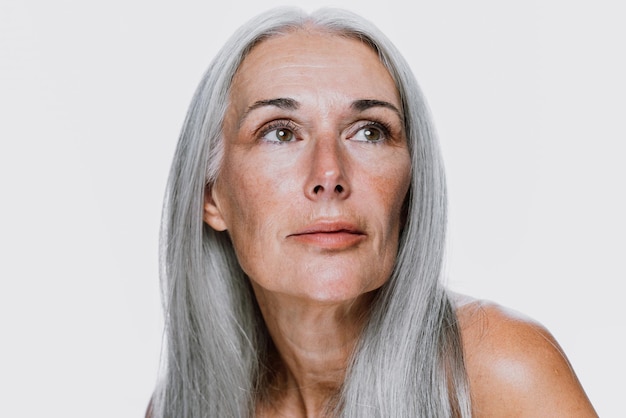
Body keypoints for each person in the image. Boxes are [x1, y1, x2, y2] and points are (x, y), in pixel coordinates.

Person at [148, 7, 597, 417]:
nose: (329, 173)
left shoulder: (500, 373)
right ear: (211, 197)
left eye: (369, 132)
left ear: (411, 184)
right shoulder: (181, 406)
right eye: (280, 134)